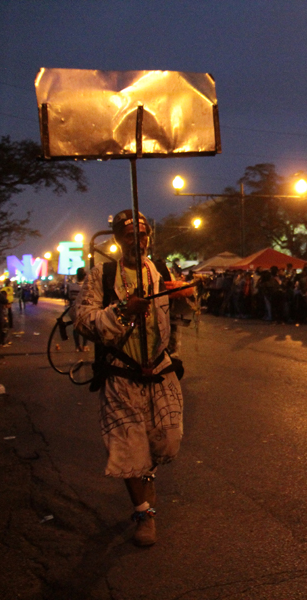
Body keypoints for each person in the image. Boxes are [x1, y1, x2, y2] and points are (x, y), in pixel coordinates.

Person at [73, 210, 183, 548]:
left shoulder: (162, 270)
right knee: (130, 449)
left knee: (166, 441)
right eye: (128, 236)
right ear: (117, 240)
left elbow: (180, 314)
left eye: (143, 235)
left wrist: (188, 297)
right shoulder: (102, 275)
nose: (138, 242)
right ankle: (143, 512)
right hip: (121, 376)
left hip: (160, 374)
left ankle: (145, 474)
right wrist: (123, 311)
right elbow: (83, 321)